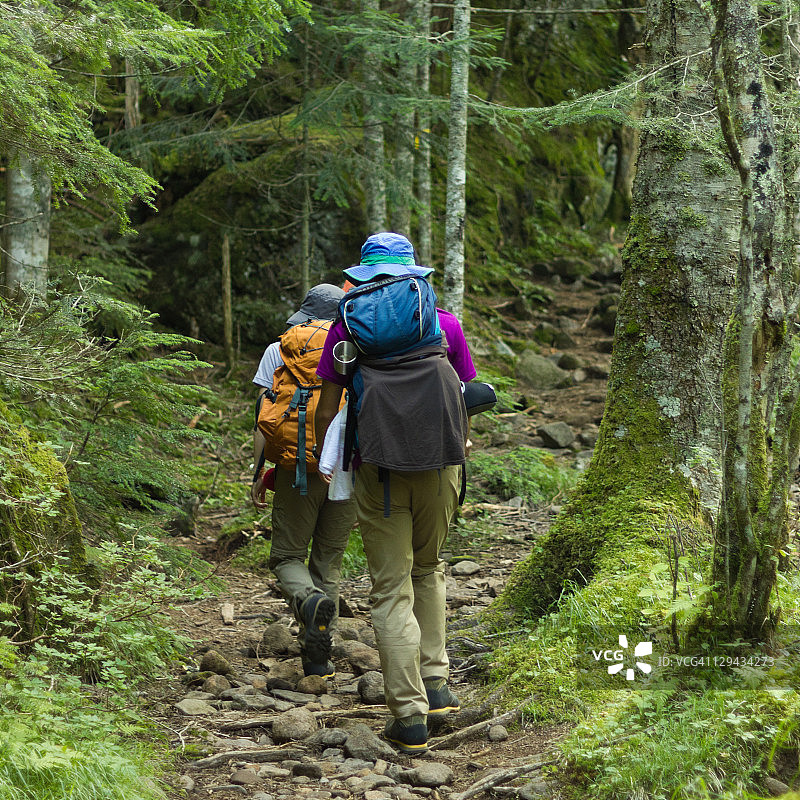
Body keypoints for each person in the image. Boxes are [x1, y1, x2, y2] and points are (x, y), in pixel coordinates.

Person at [314, 233, 477, 753]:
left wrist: (325, 455)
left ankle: (409, 717)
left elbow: (328, 406)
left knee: (390, 589)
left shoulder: (345, 328)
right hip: (440, 466)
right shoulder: (444, 323)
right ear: (413, 274)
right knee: (428, 569)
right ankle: (438, 685)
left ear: (363, 276)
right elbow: (467, 394)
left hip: (378, 470)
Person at [252, 283, 356, 678]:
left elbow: (264, 418)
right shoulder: (356, 348)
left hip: (297, 469)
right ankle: (318, 659)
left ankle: (308, 600)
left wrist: (260, 472)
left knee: (287, 557)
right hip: (346, 468)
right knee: (328, 560)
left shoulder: (278, 350)